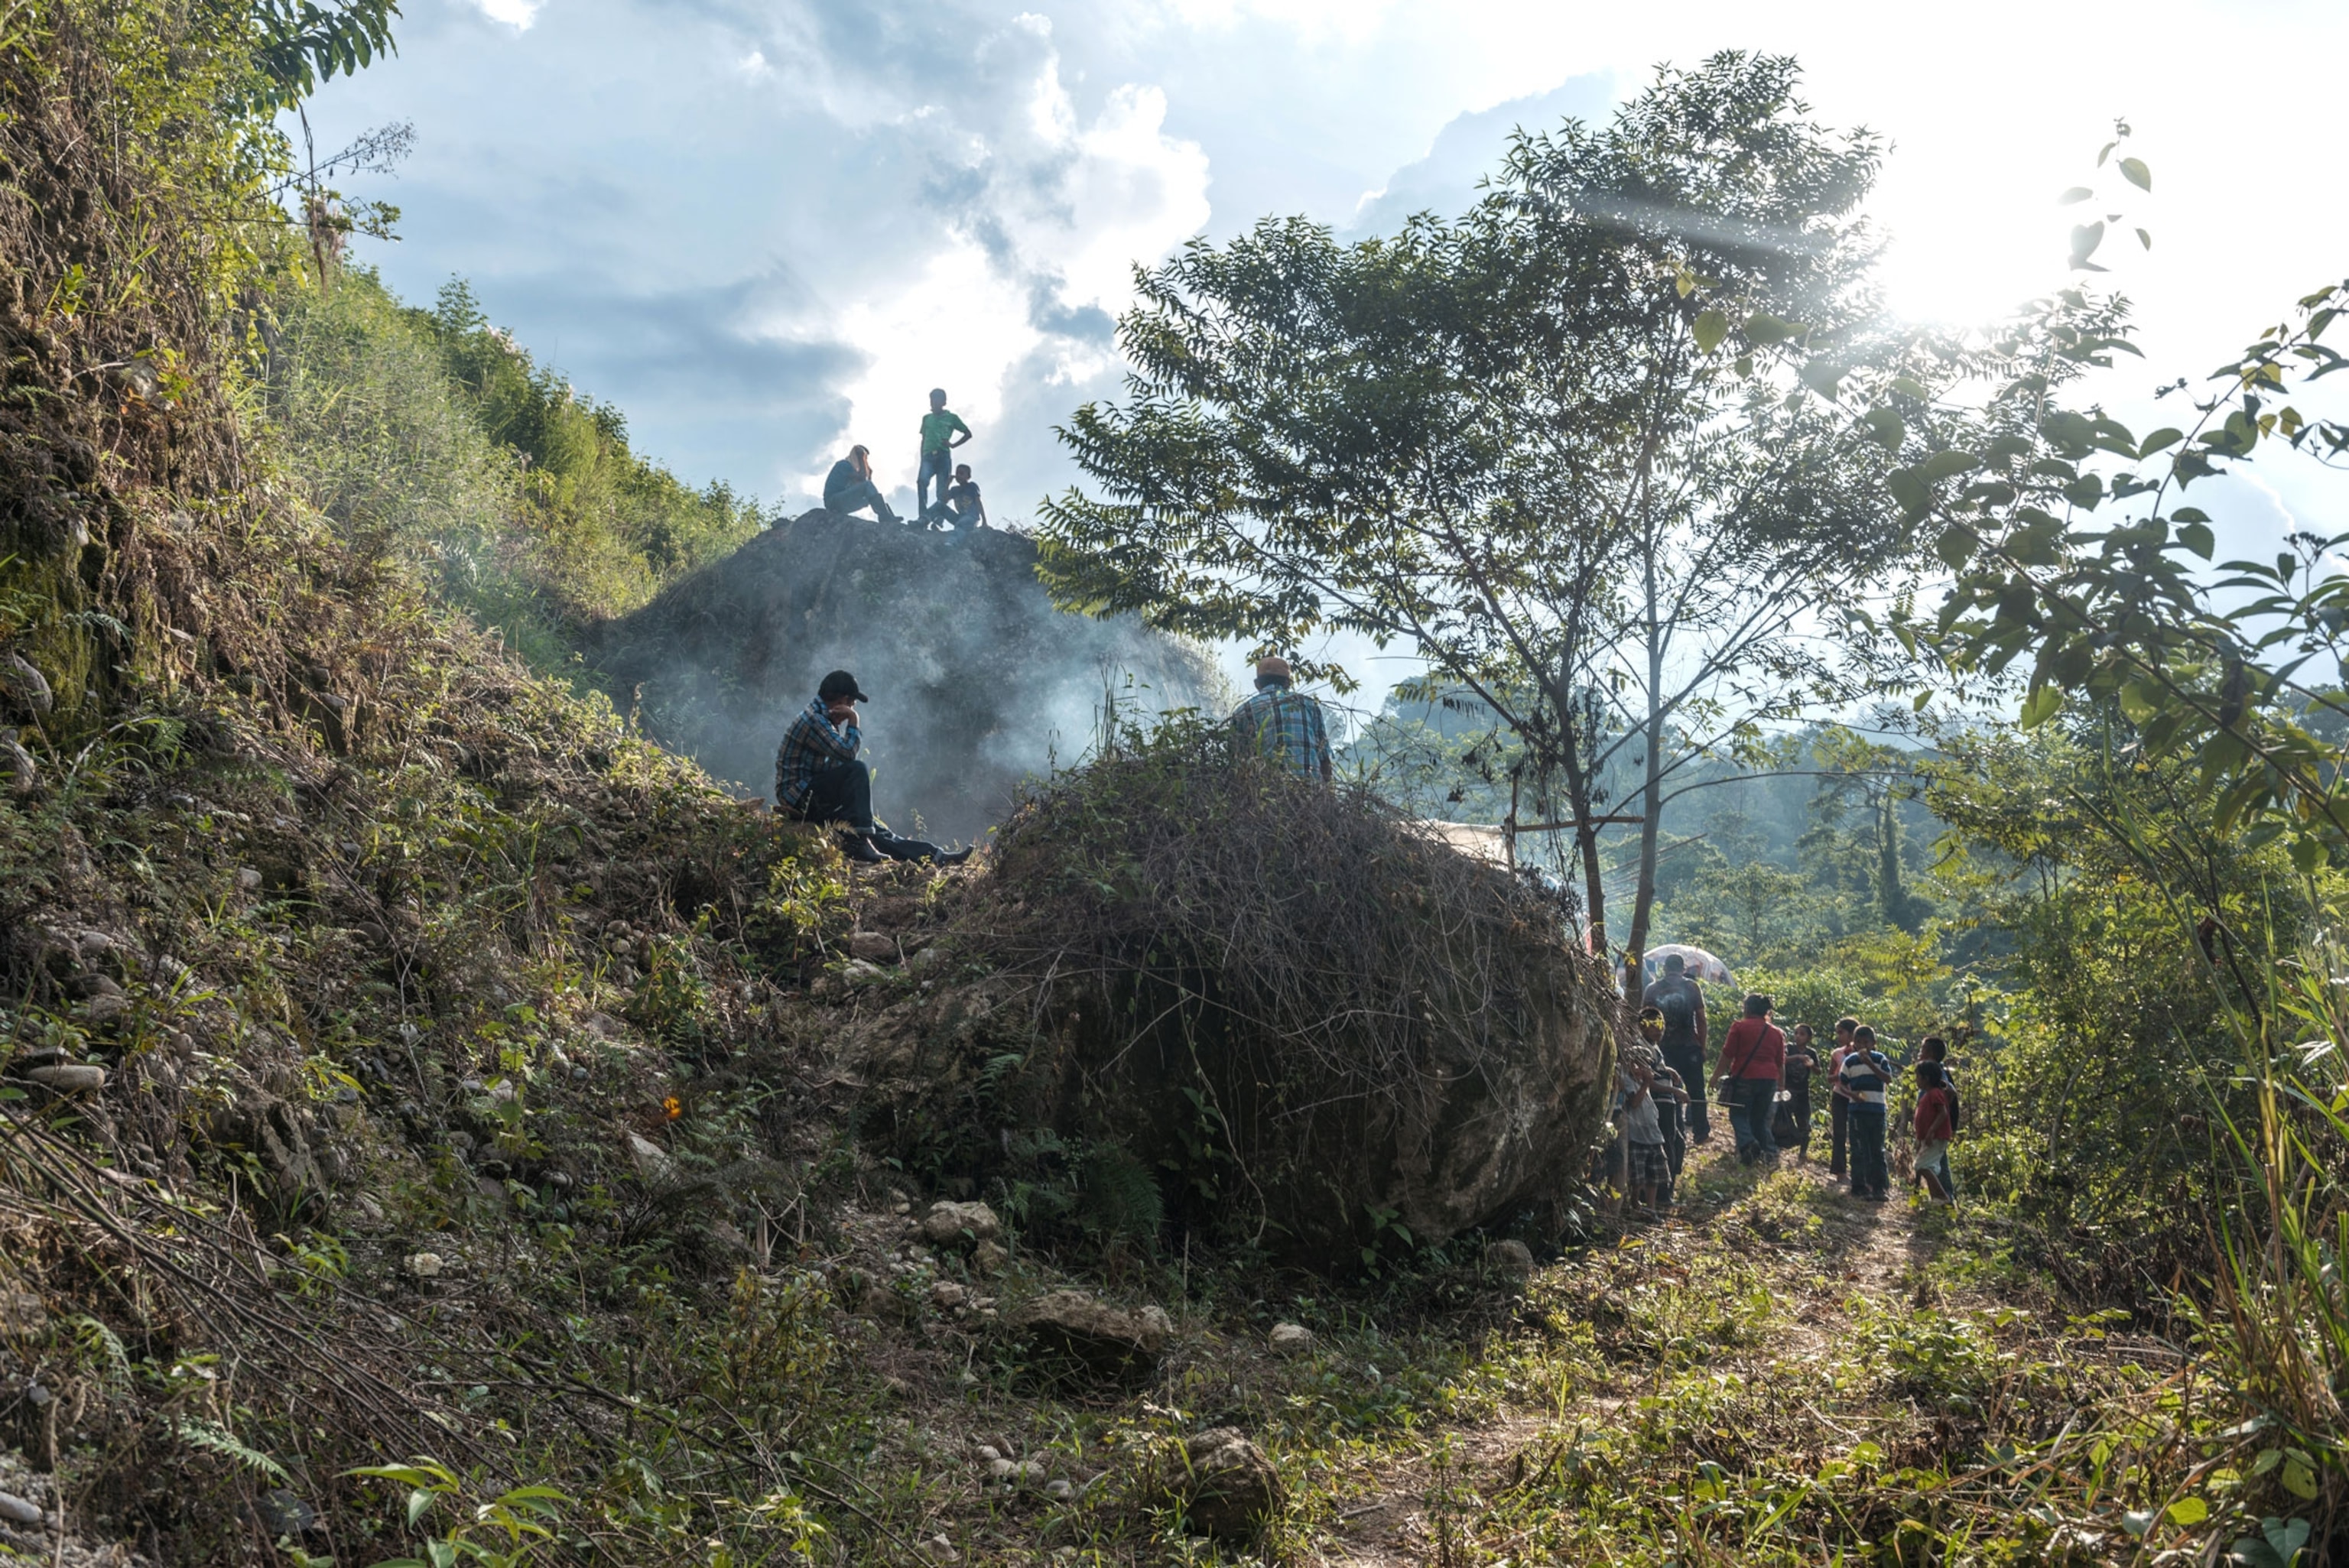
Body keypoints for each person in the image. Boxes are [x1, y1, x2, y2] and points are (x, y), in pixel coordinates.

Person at [772, 670, 970, 866]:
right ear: (842, 701)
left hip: (810, 792)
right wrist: (854, 720)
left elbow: (837, 765)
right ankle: (859, 845)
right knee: (858, 770)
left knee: (872, 828)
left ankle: (935, 856)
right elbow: (847, 755)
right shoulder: (815, 720)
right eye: (851, 704)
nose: (851, 708)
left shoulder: (824, 719)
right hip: (797, 797)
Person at [1642, 955, 1711, 1144]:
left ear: (1665, 968)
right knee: (1697, 1091)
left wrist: (1648, 1047)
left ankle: (1671, 1129)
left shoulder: (1652, 989)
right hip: (1690, 1047)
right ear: (1683, 969)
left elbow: (1644, 1019)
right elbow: (1701, 1019)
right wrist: (1703, 1046)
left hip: (1664, 1048)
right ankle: (1701, 1132)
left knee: (1666, 1089)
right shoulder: (1692, 987)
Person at [1228, 656, 1332, 781]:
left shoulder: (1243, 712)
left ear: (1257, 684)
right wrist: (1328, 795)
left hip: (1265, 794)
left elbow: (1236, 760)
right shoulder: (1308, 705)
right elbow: (1324, 758)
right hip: (1310, 792)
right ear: (1288, 683)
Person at [1713, 993, 1785, 1165]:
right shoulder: (1776, 1033)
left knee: (1738, 1115)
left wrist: (1715, 1077)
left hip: (1745, 1078)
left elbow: (1727, 1055)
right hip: (1769, 1081)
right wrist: (1781, 1086)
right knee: (1759, 1120)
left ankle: (1748, 1144)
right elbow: (1780, 1062)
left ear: (1747, 1008)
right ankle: (1764, 1156)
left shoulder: (1739, 1027)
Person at [1838, 1024, 1894, 1200]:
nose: (1863, 1046)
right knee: (1859, 1149)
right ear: (1854, 1044)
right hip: (1857, 1110)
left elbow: (1888, 1078)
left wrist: (1870, 1063)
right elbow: (1841, 1083)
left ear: (1874, 1043)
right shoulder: (1850, 1061)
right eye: (1859, 1043)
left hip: (1877, 1110)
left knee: (1877, 1149)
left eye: (1866, 1042)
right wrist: (1852, 1095)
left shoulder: (1880, 1059)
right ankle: (1859, 1186)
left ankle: (1879, 1187)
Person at [1617, 1050, 1669, 1217]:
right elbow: (1634, 1103)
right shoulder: (1628, 1081)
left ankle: (1651, 1207)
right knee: (1637, 1176)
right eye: (1635, 1064)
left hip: (1653, 1135)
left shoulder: (1642, 1082)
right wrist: (1647, 1083)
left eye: (1644, 1064)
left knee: (1653, 1175)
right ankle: (1635, 1203)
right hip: (1637, 1136)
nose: (1639, 1068)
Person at [917, 388, 973, 520]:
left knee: (941, 491)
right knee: (922, 482)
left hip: (943, 455)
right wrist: (922, 457)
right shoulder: (926, 418)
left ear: (944, 402)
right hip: (928, 456)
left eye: (936, 400)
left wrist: (953, 445)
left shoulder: (952, 418)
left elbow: (968, 434)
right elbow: (923, 439)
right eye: (932, 400)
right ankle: (923, 516)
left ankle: (938, 520)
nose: (933, 403)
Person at [1919, 1034, 1961, 1195]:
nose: (1919, 1054)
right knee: (1934, 1162)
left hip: (1937, 1128)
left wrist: (1935, 1123)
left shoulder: (1937, 1074)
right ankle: (1938, 1197)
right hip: (1935, 1126)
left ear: (1930, 1054)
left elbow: (1949, 1092)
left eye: (1921, 1050)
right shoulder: (1934, 1072)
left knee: (1937, 1162)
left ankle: (1946, 1197)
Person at [1912, 1058, 1956, 1203]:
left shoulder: (1935, 1094)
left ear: (1927, 1079)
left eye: (1918, 1077)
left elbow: (1943, 1113)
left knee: (1922, 1166)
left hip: (1937, 1136)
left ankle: (1943, 1197)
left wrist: (1931, 1131)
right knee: (1926, 1166)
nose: (1916, 1080)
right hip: (1929, 1137)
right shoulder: (1927, 1095)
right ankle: (1936, 1199)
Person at [824, 446, 903, 524]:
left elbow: (866, 489)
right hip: (832, 501)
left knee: (869, 499)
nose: (865, 460)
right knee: (868, 486)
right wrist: (862, 461)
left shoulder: (853, 469)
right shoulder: (845, 465)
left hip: (838, 503)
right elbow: (863, 482)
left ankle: (887, 515)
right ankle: (884, 516)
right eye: (863, 457)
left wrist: (869, 474)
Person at [1827, 1015, 1859, 1180]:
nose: (1838, 1036)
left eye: (1841, 1032)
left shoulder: (1864, 1053)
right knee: (1839, 1133)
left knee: (1857, 1135)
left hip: (1858, 1098)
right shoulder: (1837, 1054)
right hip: (1840, 1095)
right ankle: (1840, 1172)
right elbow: (1830, 1077)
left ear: (1852, 1034)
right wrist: (1841, 1072)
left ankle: (1859, 1172)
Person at [1779, 1022, 1817, 1159]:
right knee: (1783, 1119)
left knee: (1804, 1122)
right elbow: (1781, 1060)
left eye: (1802, 1034)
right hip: (1788, 1091)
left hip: (1803, 1093)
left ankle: (1803, 1152)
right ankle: (1782, 1144)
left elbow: (1818, 1071)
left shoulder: (1811, 1053)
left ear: (1809, 1038)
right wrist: (1797, 1058)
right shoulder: (1789, 1048)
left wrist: (1811, 1065)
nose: (1798, 1036)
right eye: (1796, 1033)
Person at [937, 463, 987, 533]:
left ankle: (952, 542)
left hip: (972, 517)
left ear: (968, 476)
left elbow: (978, 502)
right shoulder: (954, 490)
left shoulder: (972, 486)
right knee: (939, 505)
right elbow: (944, 500)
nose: (958, 476)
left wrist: (984, 521)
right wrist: (947, 484)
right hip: (959, 517)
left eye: (961, 473)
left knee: (961, 524)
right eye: (957, 473)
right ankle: (930, 522)